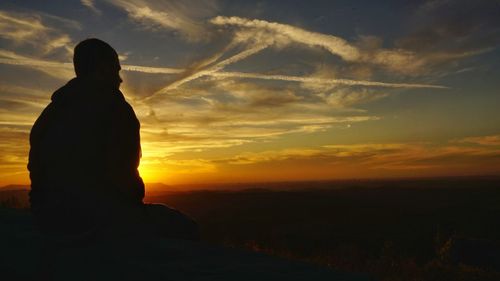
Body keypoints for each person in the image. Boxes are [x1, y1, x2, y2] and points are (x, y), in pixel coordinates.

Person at [27, 38, 198, 240]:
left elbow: (36, 171)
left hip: (48, 218)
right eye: (116, 71)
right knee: (185, 227)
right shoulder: (115, 108)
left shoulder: (50, 113)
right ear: (102, 69)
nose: (120, 79)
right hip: (95, 221)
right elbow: (124, 176)